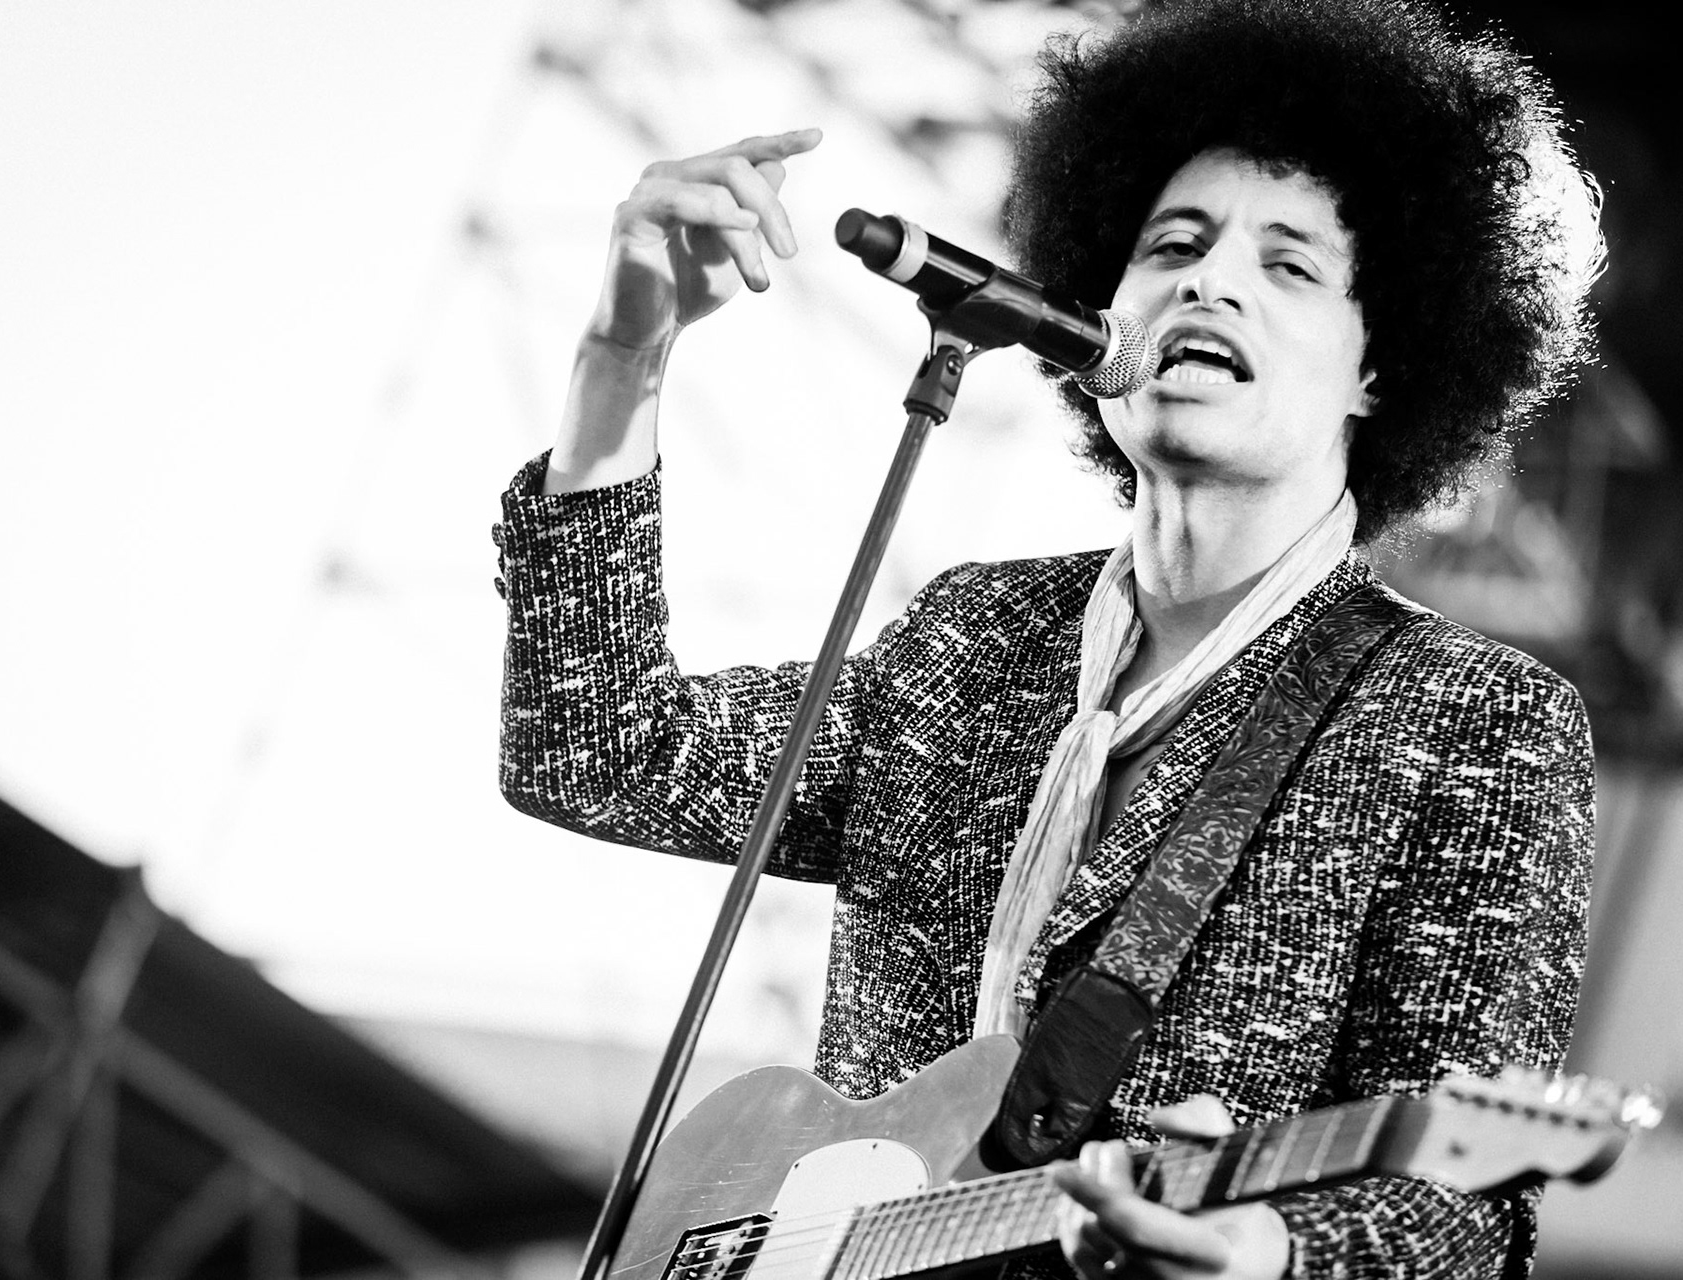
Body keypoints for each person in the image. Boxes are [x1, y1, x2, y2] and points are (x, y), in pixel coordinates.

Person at [492, 0, 1603, 1275]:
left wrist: (1264, 1254)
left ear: (1382, 367)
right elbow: (597, 749)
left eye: (1289, 263)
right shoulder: (973, 636)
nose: (1208, 276)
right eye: (1172, 241)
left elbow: (1461, 1215)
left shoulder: (1469, 718)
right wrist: (621, 356)